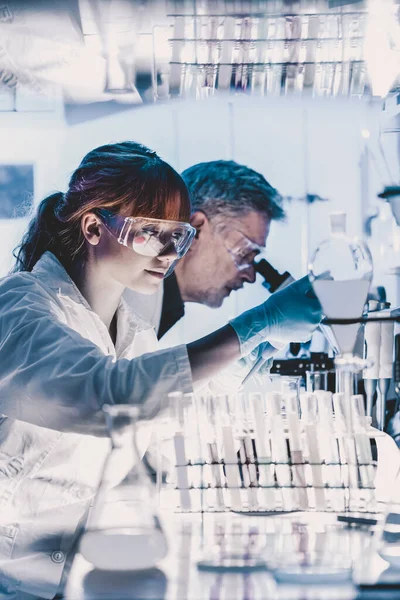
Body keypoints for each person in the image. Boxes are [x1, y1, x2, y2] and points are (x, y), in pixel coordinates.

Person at [0, 141, 320, 599]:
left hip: (81, 579)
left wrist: (253, 355)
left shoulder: (131, 331)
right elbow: (111, 396)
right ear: (93, 226)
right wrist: (254, 325)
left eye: (177, 236)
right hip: (15, 584)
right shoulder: (19, 305)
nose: (169, 253)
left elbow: (164, 418)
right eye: (151, 232)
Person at [125, 160, 285, 339]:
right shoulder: (127, 301)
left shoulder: (162, 303)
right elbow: (124, 368)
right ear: (195, 230)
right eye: (244, 253)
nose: (251, 276)